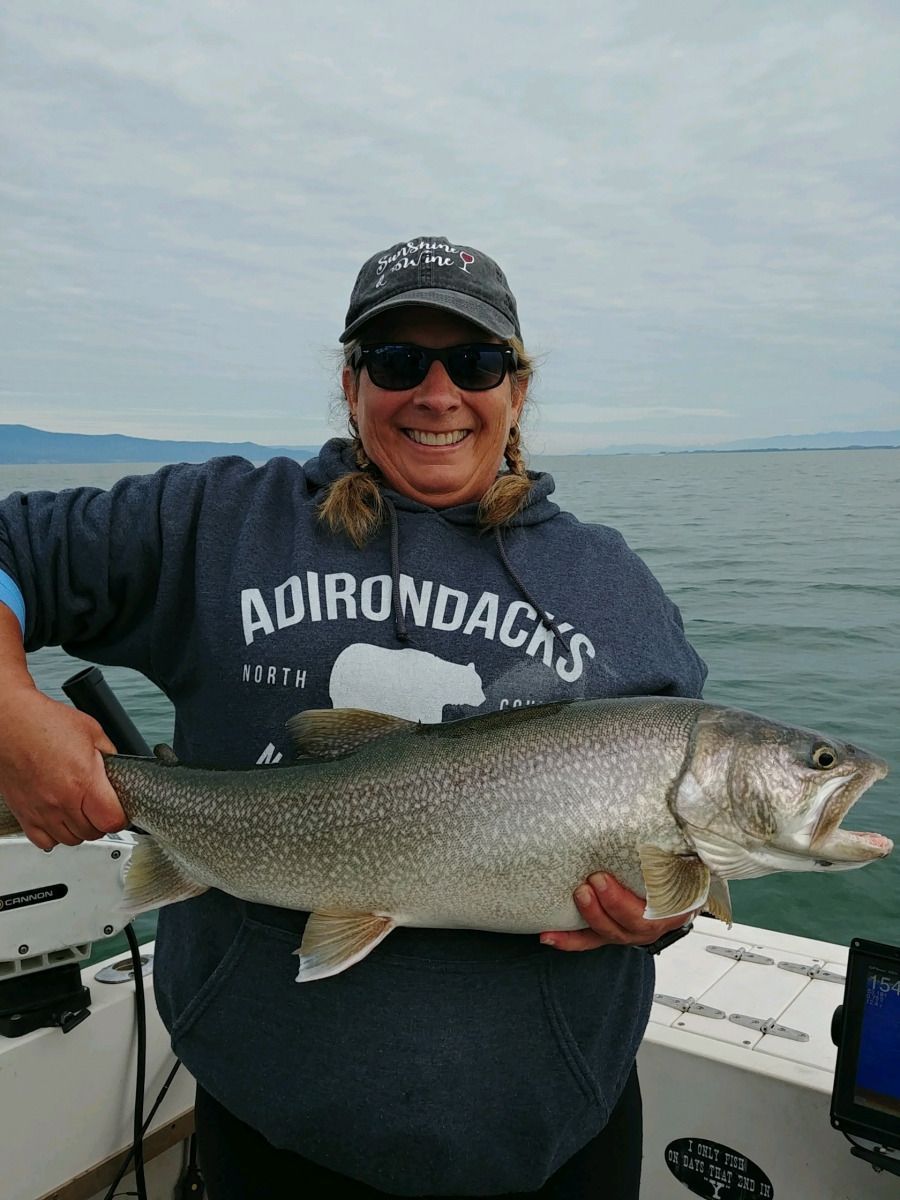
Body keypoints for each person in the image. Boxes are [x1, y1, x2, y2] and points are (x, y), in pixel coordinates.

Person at [0, 235, 707, 1198]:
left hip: (555, 1143)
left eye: (476, 360)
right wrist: (9, 710)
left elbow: (682, 845)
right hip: (272, 1131)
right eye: (398, 361)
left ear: (518, 388)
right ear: (352, 382)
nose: (437, 390)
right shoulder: (217, 523)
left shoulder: (612, 583)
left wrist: (657, 917)